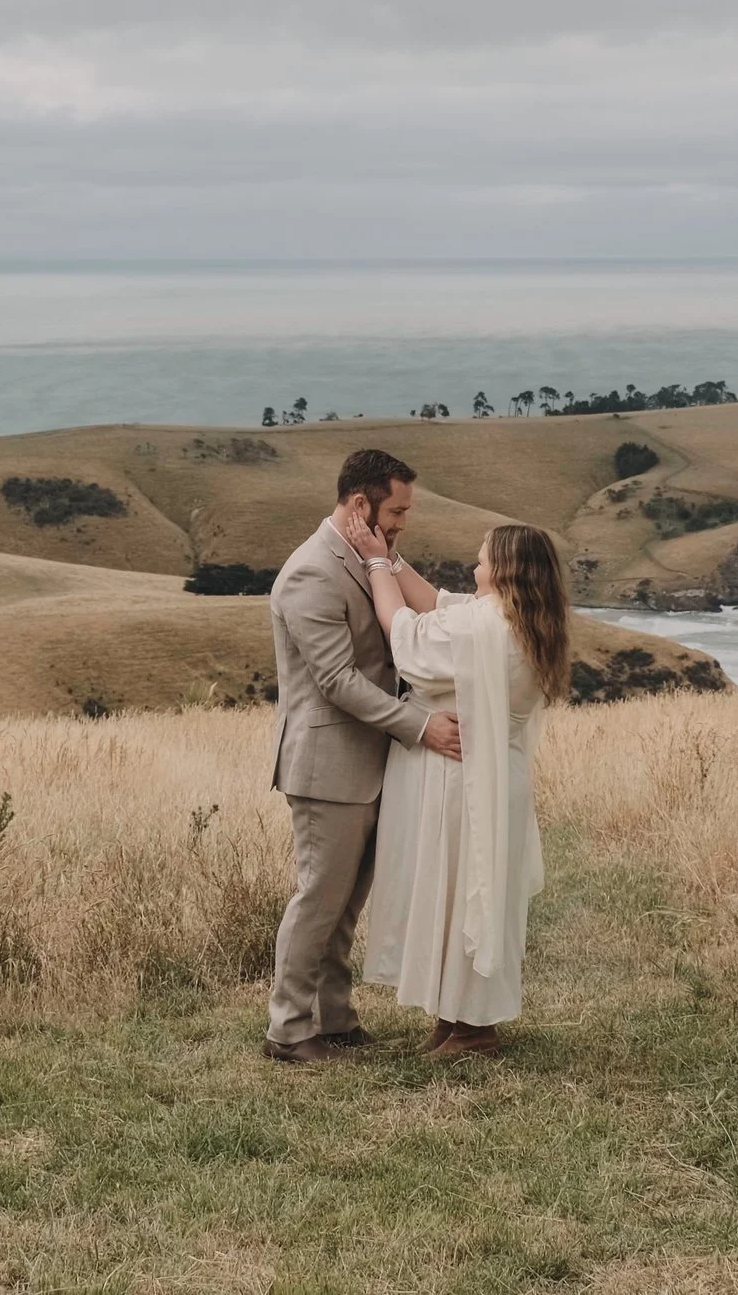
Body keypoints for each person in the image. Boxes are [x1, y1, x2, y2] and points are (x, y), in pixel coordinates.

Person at [338, 515, 570, 1060]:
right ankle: (457, 1020)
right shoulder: (521, 621)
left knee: (466, 894)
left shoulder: (481, 628)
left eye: (484, 559)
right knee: (474, 894)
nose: (475, 567)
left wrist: (374, 566)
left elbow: (406, 632)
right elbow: (438, 602)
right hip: (495, 777)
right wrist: (392, 558)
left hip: (466, 783)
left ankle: (472, 1031)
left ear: (505, 571)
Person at [262, 450, 464, 1064]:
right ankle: (288, 1031)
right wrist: (421, 725)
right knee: (320, 897)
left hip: (369, 762)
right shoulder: (310, 573)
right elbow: (336, 680)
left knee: (346, 905)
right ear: (360, 505)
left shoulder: (375, 557)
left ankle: (338, 1020)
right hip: (326, 763)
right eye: (396, 509)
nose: (403, 521)